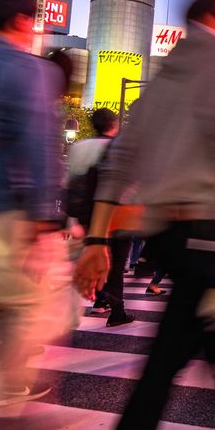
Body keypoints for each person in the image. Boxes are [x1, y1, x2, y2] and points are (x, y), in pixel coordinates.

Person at [73, 0, 215, 430]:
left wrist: (97, 239)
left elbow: (120, 161)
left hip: (165, 232)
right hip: (207, 228)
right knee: (190, 341)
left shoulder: (160, 79)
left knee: (184, 339)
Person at [0, 0, 64, 406]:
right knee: (25, 301)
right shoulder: (33, 72)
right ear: (22, 21)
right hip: (9, 212)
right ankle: (7, 383)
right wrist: (42, 217)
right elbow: (37, 144)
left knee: (7, 299)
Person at [66, 108, 137, 327]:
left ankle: (96, 302)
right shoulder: (119, 147)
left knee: (86, 258)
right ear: (114, 124)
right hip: (117, 216)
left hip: (87, 215)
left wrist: (70, 219)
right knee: (116, 265)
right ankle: (117, 311)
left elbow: (70, 184)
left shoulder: (79, 147)